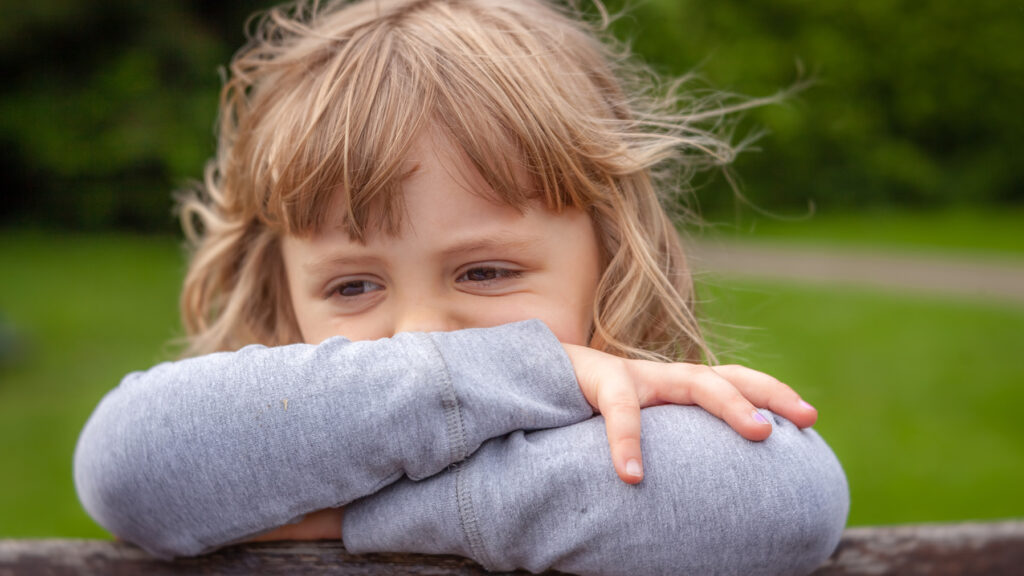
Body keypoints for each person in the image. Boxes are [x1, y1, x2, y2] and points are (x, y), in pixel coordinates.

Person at [73, 0, 849, 574]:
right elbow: (124, 468)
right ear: (282, 296)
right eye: (351, 286)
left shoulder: (629, 421)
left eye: (485, 271)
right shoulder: (277, 419)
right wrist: (522, 369)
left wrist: (337, 515)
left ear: (613, 257)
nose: (420, 332)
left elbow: (770, 495)